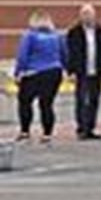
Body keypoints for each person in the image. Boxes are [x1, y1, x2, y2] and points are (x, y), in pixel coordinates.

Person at [11, 9, 66, 144]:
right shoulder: (57, 36)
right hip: (54, 72)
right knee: (47, 104)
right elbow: (64, 54)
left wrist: (18, 73)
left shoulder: (29, 36)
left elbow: (22, 56)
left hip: (34, 72)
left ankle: (25, 131)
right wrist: (66, 69)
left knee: (25, 102)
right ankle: (47, 134)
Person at [65, 3, 101, 140]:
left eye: (89, 14)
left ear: (94, 15)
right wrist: (70, 72)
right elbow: (70, 54)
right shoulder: (74, 32)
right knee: (81, 99)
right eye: (84, 14)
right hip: (81, 71)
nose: (87, 17)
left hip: (97, 71)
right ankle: (81, 128)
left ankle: (90, 128)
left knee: (94, 100)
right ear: (80, 16)